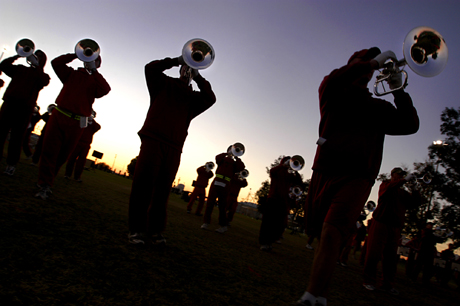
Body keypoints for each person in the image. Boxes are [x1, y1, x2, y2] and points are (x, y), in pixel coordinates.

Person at [293, 47, 420, 306]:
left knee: (332, 232)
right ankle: (320, 296)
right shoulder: (332, 91)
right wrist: (371, 62)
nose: (370, 68)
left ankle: (309, 296)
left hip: (357, 178)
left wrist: (399, 91)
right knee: (323, 234)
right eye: (364, 63)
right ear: (354, 65)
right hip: (326, 170)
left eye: (370, 65)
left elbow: (410, 125)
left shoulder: (378, 107)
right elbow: (334, 78)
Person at [128, 55, 216, 245]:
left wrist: (198, 76)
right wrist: (177, 59)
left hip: (174, 147)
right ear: (179, 69)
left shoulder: (194, 98)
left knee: (162, 192)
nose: (187, 70)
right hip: (153, 140)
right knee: (143, 187)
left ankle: (155, 231)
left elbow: (211, 98)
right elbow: (150, 67)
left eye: (190, 68)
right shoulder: (162, 83)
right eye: (185, 67)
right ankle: (136, 230)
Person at [34, 53, 110, 199]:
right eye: (89, 58)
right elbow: (56, 63)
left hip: (77, 122)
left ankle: (47, 180)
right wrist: (75, 54)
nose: (91, 62)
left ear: (97, 64)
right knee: (49, 151)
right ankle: (45, 184)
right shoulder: (71, 73)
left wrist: (94, 71)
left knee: (64, 155)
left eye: (95, 61)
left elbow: (105, 90)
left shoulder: (95, 81)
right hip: (60, 114)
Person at [362, 167, 421, 294]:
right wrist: (404, 180)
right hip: (380, 224)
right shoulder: (386, 185)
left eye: (402, 175)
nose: (400, 177)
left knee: (390, 258)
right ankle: (368, 281)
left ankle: (387, 284)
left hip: (395, 227)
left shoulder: (403, 193)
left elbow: (415, 203)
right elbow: (388, 190)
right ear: (392, 174)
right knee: (373, 254)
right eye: (399, 175)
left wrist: (415, 188)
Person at [0, 51, 50, 175]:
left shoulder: (43, 76)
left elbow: (43, 82)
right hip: (9, 104)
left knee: (16, 138)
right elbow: (3, 65)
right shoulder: (20, 69)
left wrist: (38, 66)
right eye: (34, 55)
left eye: (38, 57)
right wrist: (18, 56)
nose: (35, 57)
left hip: (24, 109)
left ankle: (11, 165)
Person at [259, 156, 302, 252]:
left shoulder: (290, 175)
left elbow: (299, 182)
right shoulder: (277, 171)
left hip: (283, 201)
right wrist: (283, 166)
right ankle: (264, 243)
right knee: (268, 222)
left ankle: (270, 242)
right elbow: (272, 171)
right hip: (273, 199)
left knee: (277, 224)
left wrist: (295, 170)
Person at [201, 148, 245, 233]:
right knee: (209, 203)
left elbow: (241, 167)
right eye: (231, 150)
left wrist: (237, 157)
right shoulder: (222, 159)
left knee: (222, 206)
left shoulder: (235, 163)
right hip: (216, 182)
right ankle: (206, 222)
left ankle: (223, 225)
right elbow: (217, 157)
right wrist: (226, 153)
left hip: (226, 184)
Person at [64, 111, 100, 182]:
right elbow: (80, 126)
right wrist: (86, 119)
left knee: (81, 161)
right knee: (71, 158)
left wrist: (91, 121)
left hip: (86, 144)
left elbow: (98, 127)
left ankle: (77, 177)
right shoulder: (83, 120)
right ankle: (67, 174)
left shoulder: (93, 125)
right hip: (77, 142)